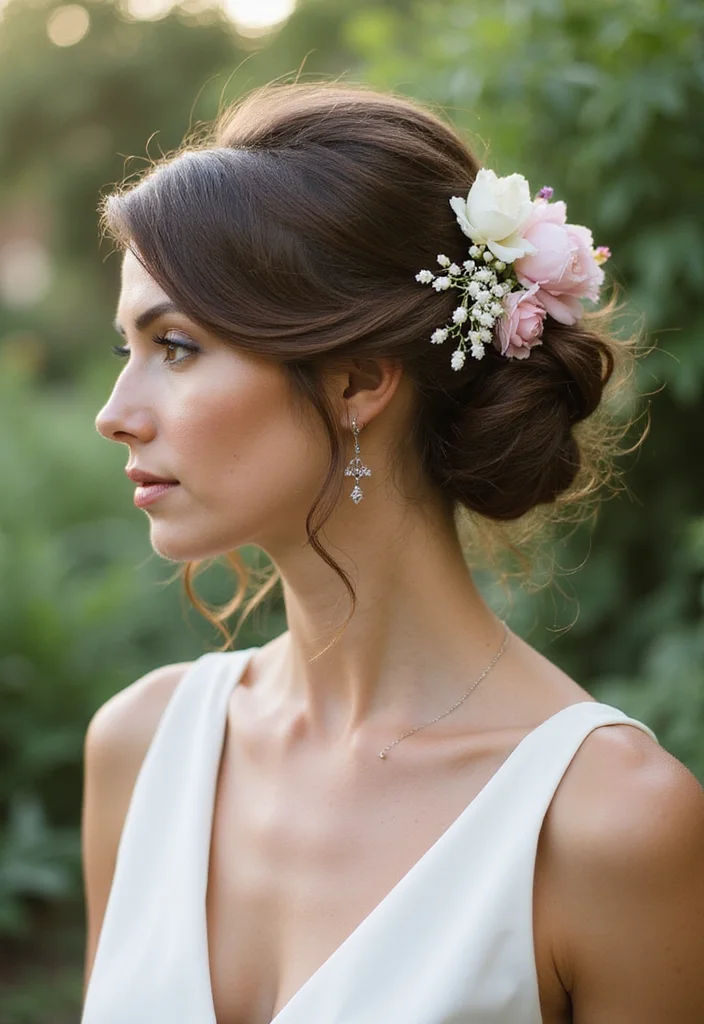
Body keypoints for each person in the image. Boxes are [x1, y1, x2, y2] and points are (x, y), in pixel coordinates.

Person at [81, 82, 704, 1024]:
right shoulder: (138, 748)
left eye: (174, 346)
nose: (114, 416)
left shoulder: (606, 825)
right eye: (126, 348)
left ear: (358, 382)